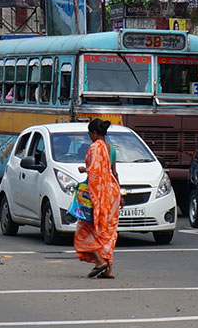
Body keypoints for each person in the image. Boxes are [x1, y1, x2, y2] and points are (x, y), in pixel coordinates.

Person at [74, 118, 120, 279]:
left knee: (85, 229)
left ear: (94, 133)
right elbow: (113, 172)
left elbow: (94, 172)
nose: (89, 136)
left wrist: (83, 169)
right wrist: (120, 194)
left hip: (98, 194)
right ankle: (109, 270)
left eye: (89, 133)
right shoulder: (111, 148)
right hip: (112, 193)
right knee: (107, 232)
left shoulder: (94, 148)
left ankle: (100, 261)